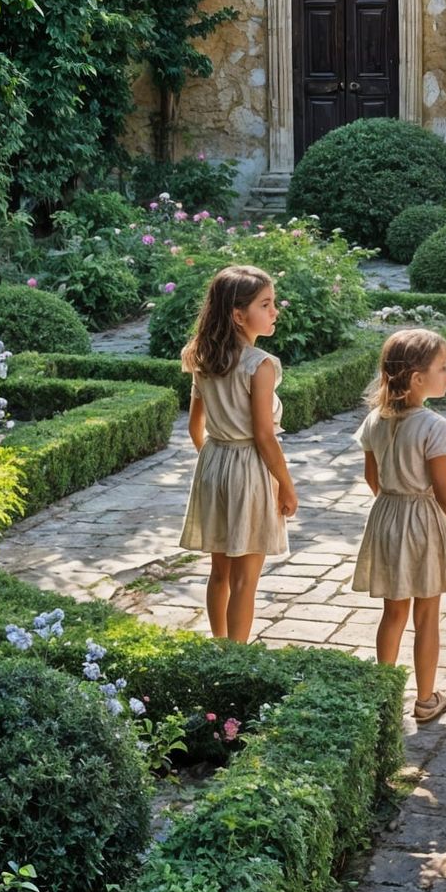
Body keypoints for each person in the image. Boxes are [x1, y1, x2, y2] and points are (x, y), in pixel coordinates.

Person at [352, 327, 446, 723]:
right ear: (417, 378)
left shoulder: (375, 419)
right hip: (424, 522)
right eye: (443, 368)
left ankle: (385, 696)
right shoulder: (432, 425)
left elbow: (371, 479)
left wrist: (394, 502)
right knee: (426, 615)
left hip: (387, 516)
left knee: (393, 613)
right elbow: (444, 491)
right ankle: (427, 699)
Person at [179, 264, 298, 640]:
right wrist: (286, 485)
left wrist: (215, 463)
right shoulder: (259, 365)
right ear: (238, 314)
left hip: (214, 463)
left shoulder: (203, 358)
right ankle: (238, 657)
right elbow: (265, 436)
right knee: (246, 579)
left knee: (219, 573)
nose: (274, 311)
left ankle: (219, 648)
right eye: (266, 304)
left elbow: (194, 427)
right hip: (249, 469)